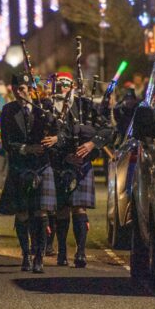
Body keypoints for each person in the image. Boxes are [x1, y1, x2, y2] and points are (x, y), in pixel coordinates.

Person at [48, 73, 116, 268]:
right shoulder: (48, 107)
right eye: (59, 85)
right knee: (61, 209)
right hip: (60, 163)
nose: (62, 88)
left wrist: (92, 144)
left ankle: (81, 252)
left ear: (72, 86)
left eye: (66, 85)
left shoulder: (85, 106)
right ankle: (61, 251)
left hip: (81, 165)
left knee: (79, 207)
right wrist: (61, 154)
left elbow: (107, 130)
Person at [0, 73, 58, 273]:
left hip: (42, 165)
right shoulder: (8, 111)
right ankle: (25, 254)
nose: (19, 93)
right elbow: (7, 143)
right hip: (20, 165)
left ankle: (39, 255)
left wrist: (55, 139)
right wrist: (26, 149)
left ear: (31, 89)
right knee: (23, 213)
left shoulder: (45, 108)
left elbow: (62, 131)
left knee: (40, 212)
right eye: (16, 90)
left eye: (22, 89)